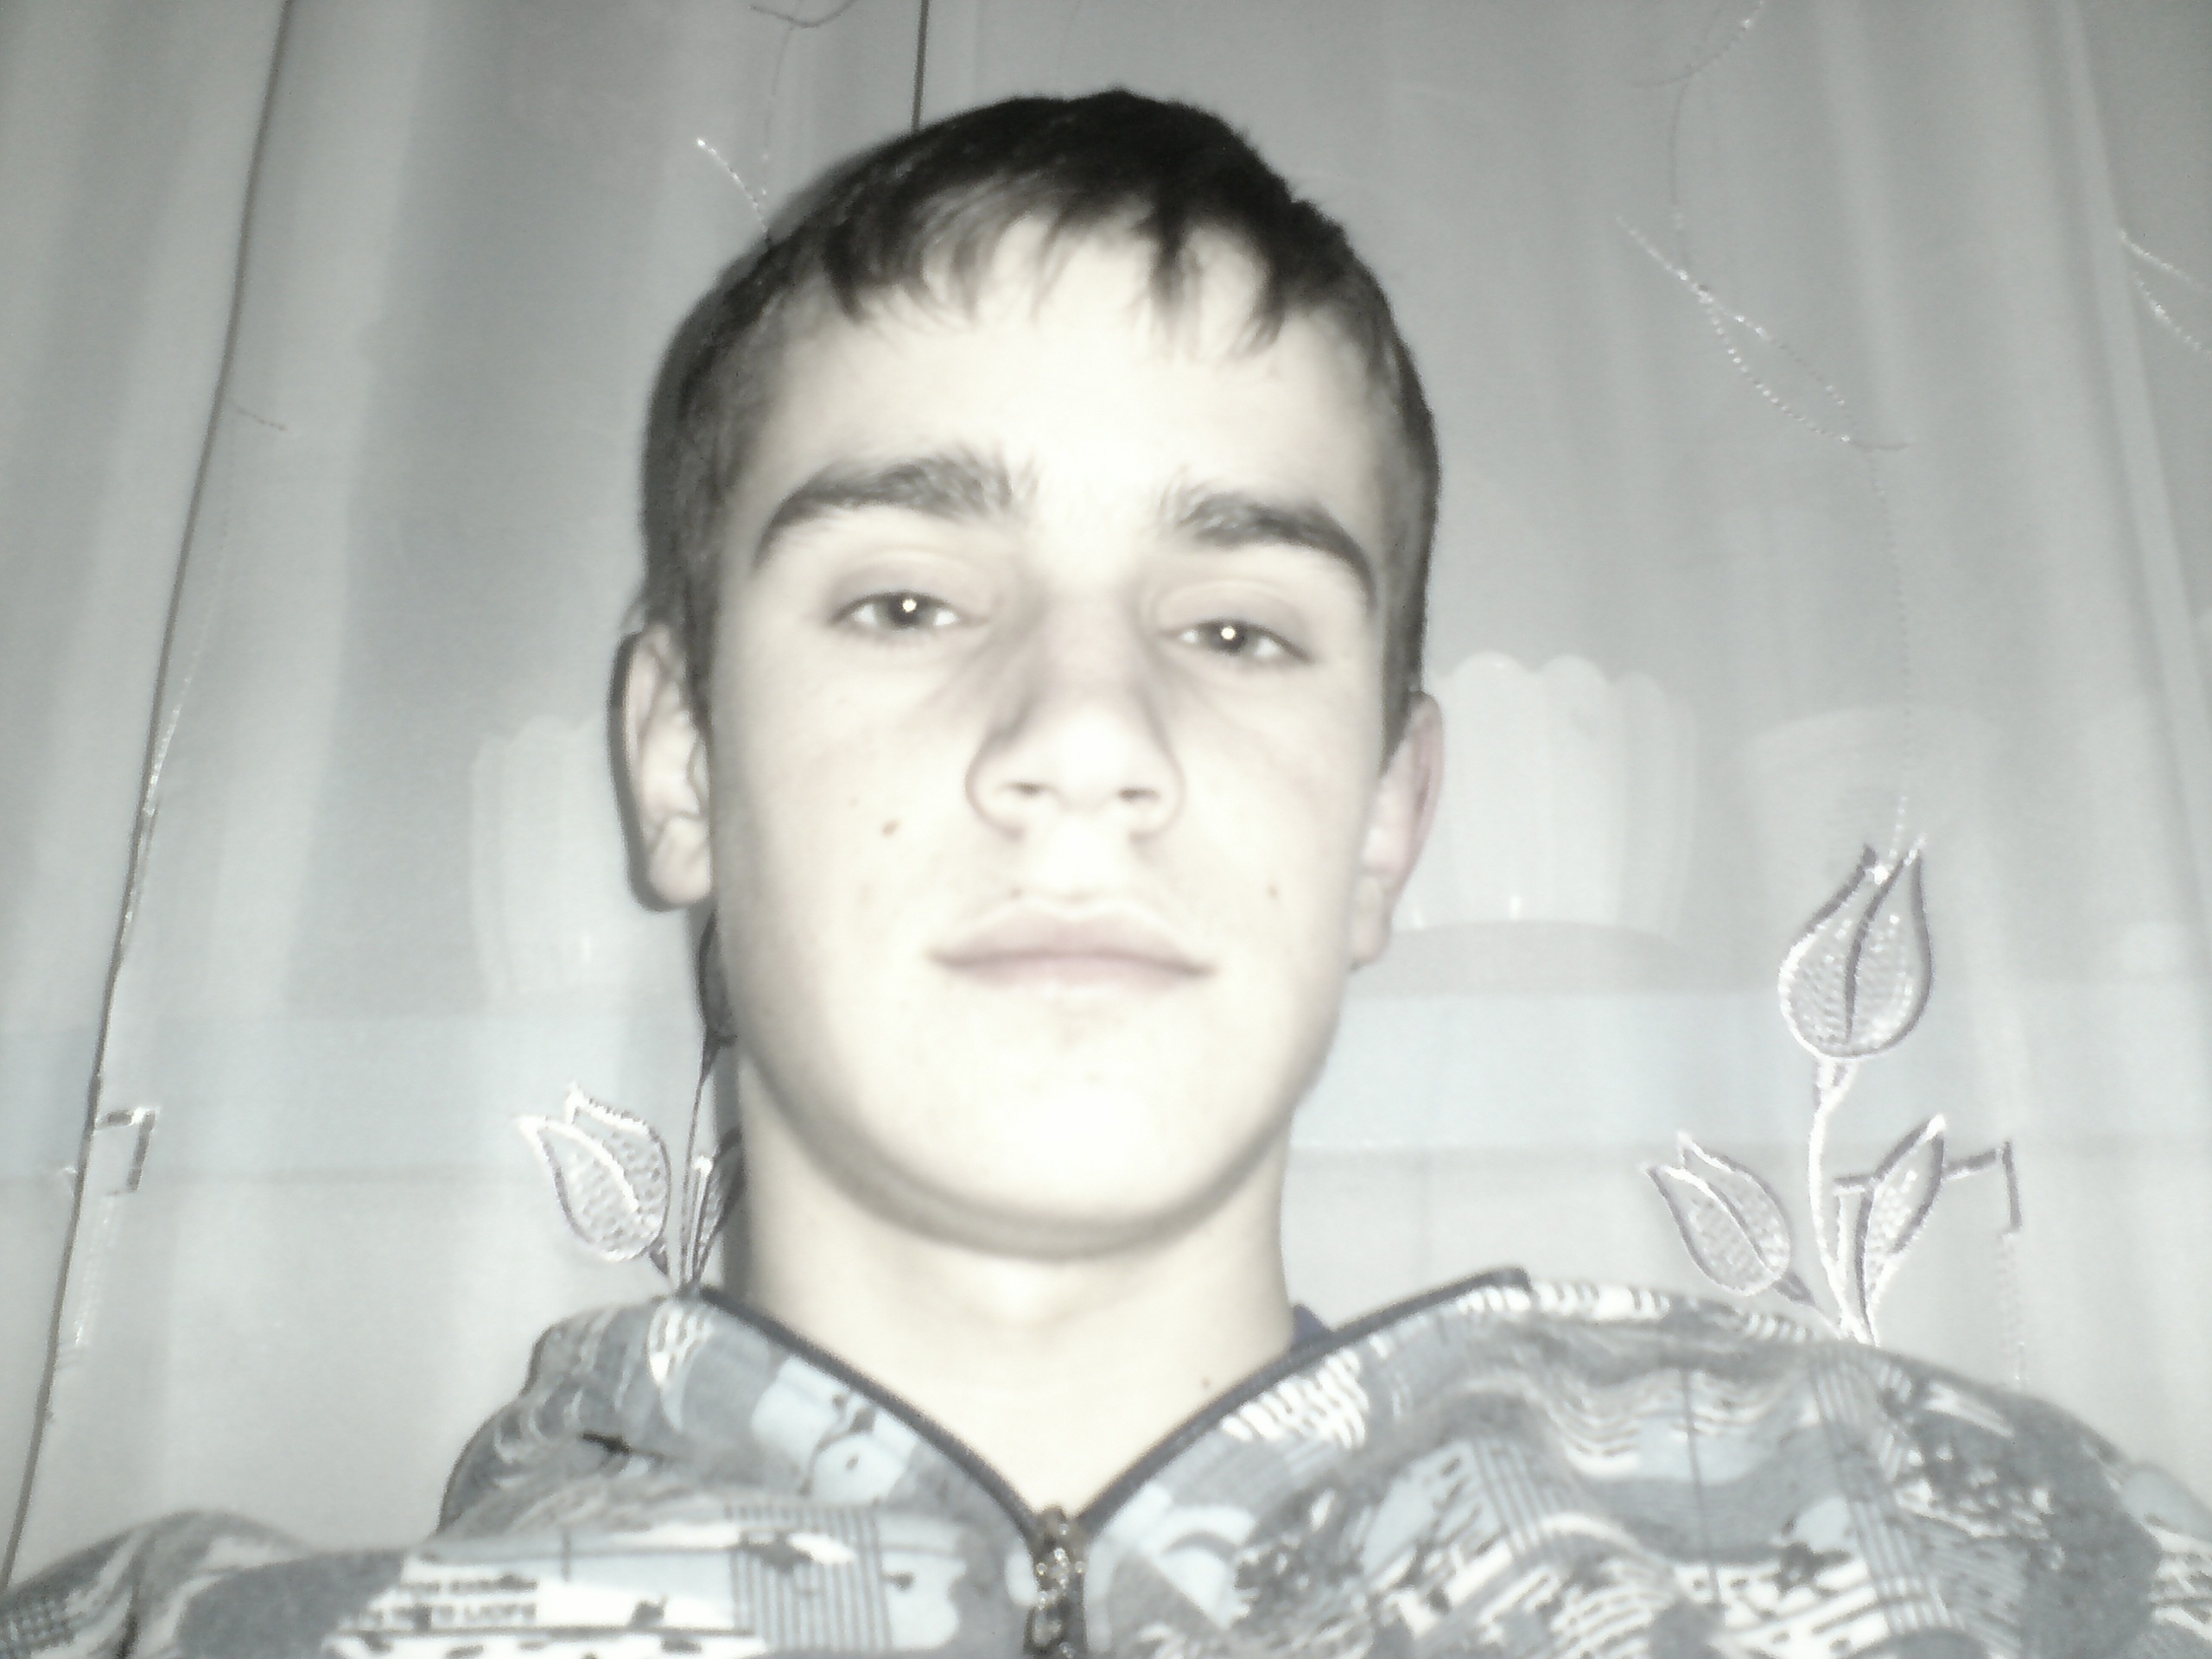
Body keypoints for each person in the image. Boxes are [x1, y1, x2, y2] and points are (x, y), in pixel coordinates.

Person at [4, 90, 2210, 1659]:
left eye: (1234, 628)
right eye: (901, 601)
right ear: (677, 763)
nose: (1084, 734)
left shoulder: (1990, 1566)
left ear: (1384, 821)